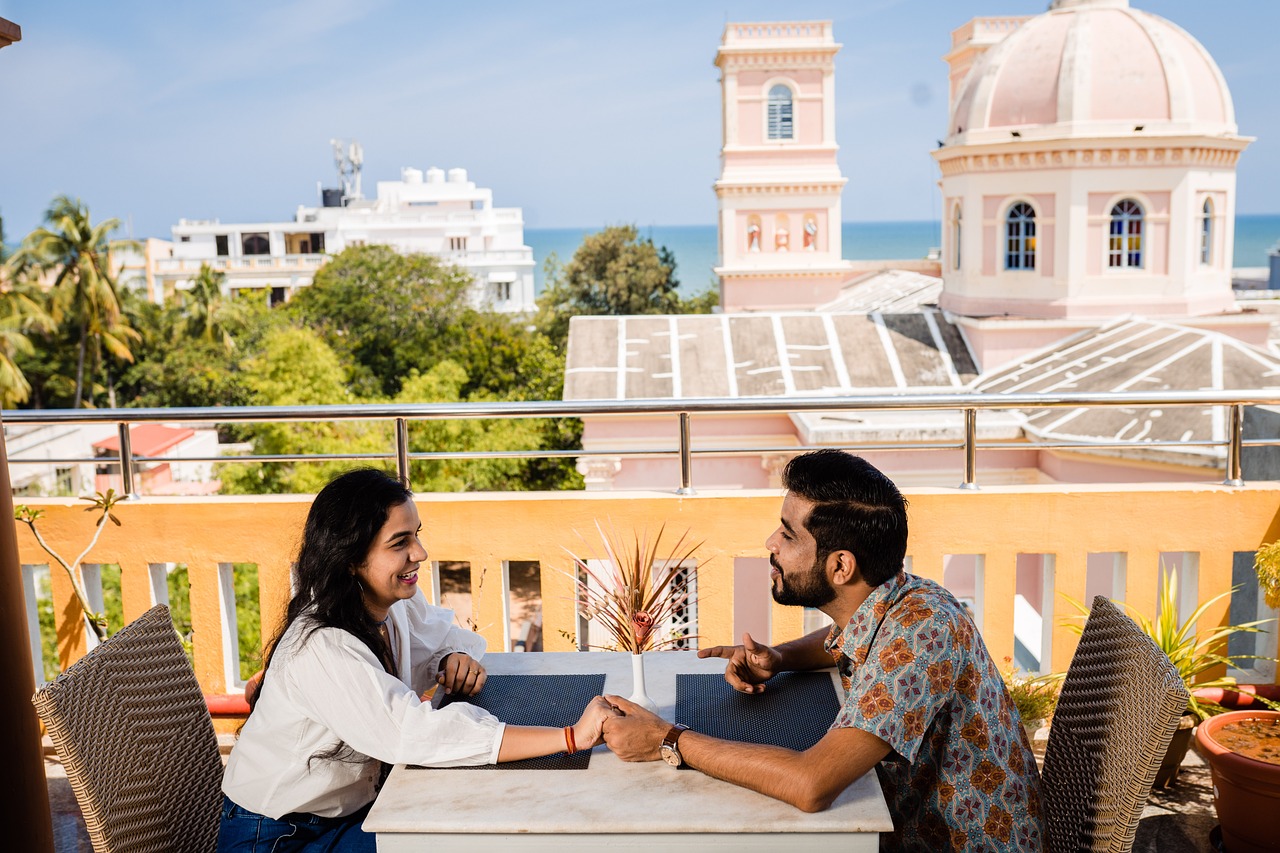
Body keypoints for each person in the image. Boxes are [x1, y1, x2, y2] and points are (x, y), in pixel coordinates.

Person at [602, 449, 1046, 851]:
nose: (770, 544)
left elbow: (811, 785)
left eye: (788, 535)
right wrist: (780, 658)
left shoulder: (922, 635)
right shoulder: (904, 599)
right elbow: (857, 637)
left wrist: (668, 739)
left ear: (840, 566)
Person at [219, 468, 617, 852]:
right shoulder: (323, 647)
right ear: (351, 559)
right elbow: (414, 734)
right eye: (400, 543)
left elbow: (444, 634)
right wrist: (570, 737)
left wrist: (454, 656)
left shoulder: (390, 604)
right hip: (280, 837)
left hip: (355, 810)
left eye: (417, 536)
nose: (420, 553)